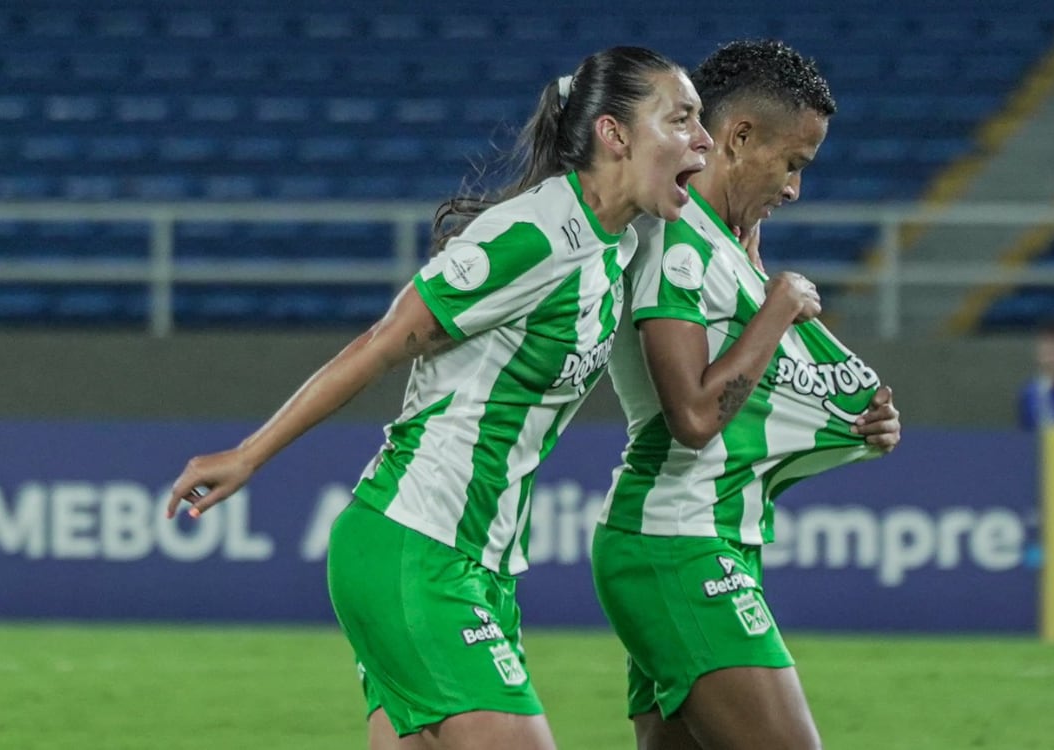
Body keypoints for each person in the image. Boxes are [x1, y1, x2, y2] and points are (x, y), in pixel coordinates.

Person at [165, 46, 712, 750]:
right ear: (614, 134)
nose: (702, 139)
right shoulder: (535, 235)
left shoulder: (621, 244)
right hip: (415, 545)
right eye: (682, 119)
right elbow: (383, 342)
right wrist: (248, 455)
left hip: (479, 567)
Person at [592, 40, 902, 750]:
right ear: (737, 137)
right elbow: (695, 416)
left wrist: (855, 420)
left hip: (710, 537)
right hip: (676, 541)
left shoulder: (726, 248)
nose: (793, 189)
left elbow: (753, 390)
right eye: (792, 163)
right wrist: (780, 305)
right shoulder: (677, 243)